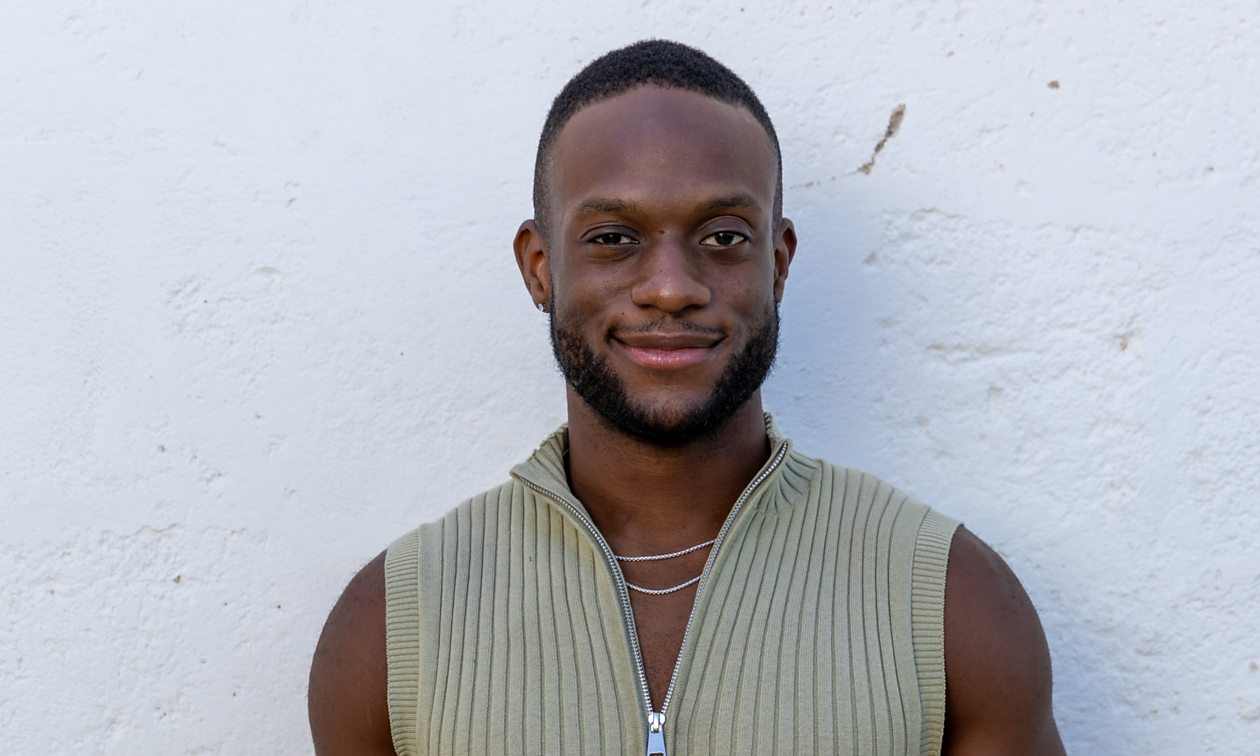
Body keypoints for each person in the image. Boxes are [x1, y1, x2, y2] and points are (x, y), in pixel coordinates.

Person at [308, 39, 1064, 755]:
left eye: (723, 236)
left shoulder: (950, 603)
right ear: (539, 267)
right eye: (614, 237)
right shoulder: (393, 628)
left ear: (778, 262)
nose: (670, 287)